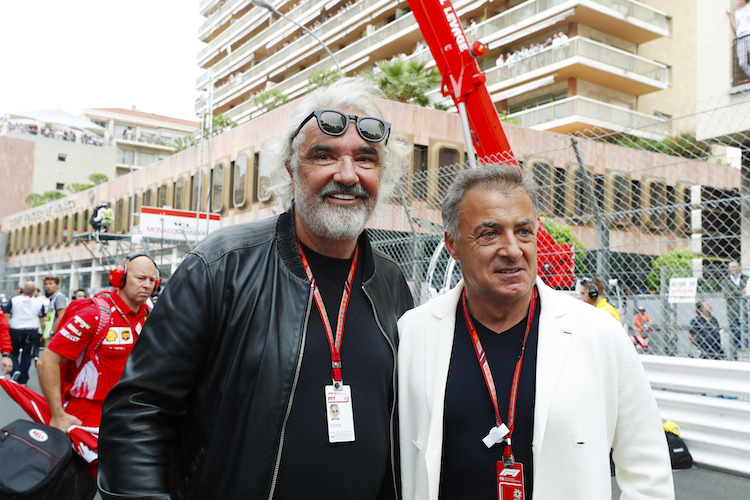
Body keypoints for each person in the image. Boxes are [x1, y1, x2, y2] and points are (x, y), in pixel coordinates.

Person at [98, 78, 414, 500]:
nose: (346, 174)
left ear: (382, 173)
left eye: (366, 159)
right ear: (290, 168)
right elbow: (139, 411)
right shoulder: (220, 266)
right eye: (323, 155)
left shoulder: (390, 282)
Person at [398, 165, 673, 499]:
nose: (513, 249)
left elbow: (647, 468)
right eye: (489, 233)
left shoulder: (598, 334)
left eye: (524, 231)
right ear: (453, 245)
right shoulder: (413, 332)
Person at [36, 253, 158, 475]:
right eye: (140, 278)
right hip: (86, 419)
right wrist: (57, 414)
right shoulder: (94, 314)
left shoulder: (151, 317)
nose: (147, 285)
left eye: (152, 280)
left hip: (130, 418)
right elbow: (47, 363)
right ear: (119, 278)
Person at [5, 281, 45, 384]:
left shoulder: (14, 300)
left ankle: (15, 370)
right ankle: (23, 379)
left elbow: (6, 316)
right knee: (27, 354)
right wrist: (42, 333)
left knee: (13, 352)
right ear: (34, 290)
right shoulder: (39, 303)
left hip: (16, 329)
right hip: (32, 330)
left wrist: (5, 330)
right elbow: (42, 320)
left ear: (24, 289)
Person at [722, 259, 747, 359]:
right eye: (731, 267)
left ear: (739, 267)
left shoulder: (746, 278)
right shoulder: (725, 281)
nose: (733, 269)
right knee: (736, 335)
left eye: (735, 266)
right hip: (733, 312)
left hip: (746, 311)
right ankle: (740, 356)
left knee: (747, 333)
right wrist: (741, 292)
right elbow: (727, 294)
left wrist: (736, 293)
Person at [728, 0, 750, 78]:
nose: (735, 1)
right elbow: (736, 30)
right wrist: (730, 17)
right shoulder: (737, 13)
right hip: (740, 37)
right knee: (742, 62)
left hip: (748, 34)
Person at [42, 275, 68, 342]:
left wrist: (52, 333)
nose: (47, 286)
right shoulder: (53, 298)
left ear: (57, 285)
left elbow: (61, 316)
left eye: (50, 283)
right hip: (50, 335)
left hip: (54, 336)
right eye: (46, 284)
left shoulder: (59, 297)